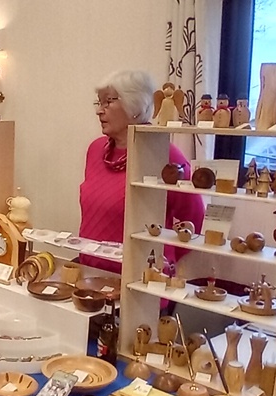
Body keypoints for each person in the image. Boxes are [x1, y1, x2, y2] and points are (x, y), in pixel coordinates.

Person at [80, 69, 205, 274]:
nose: (99, 111)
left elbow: (194, 219)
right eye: (98, 102)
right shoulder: (96, 150)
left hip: (139, 281)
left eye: (108, 102)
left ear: (135, 107)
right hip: (90, 273)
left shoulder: (165, 156)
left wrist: (163, 260)